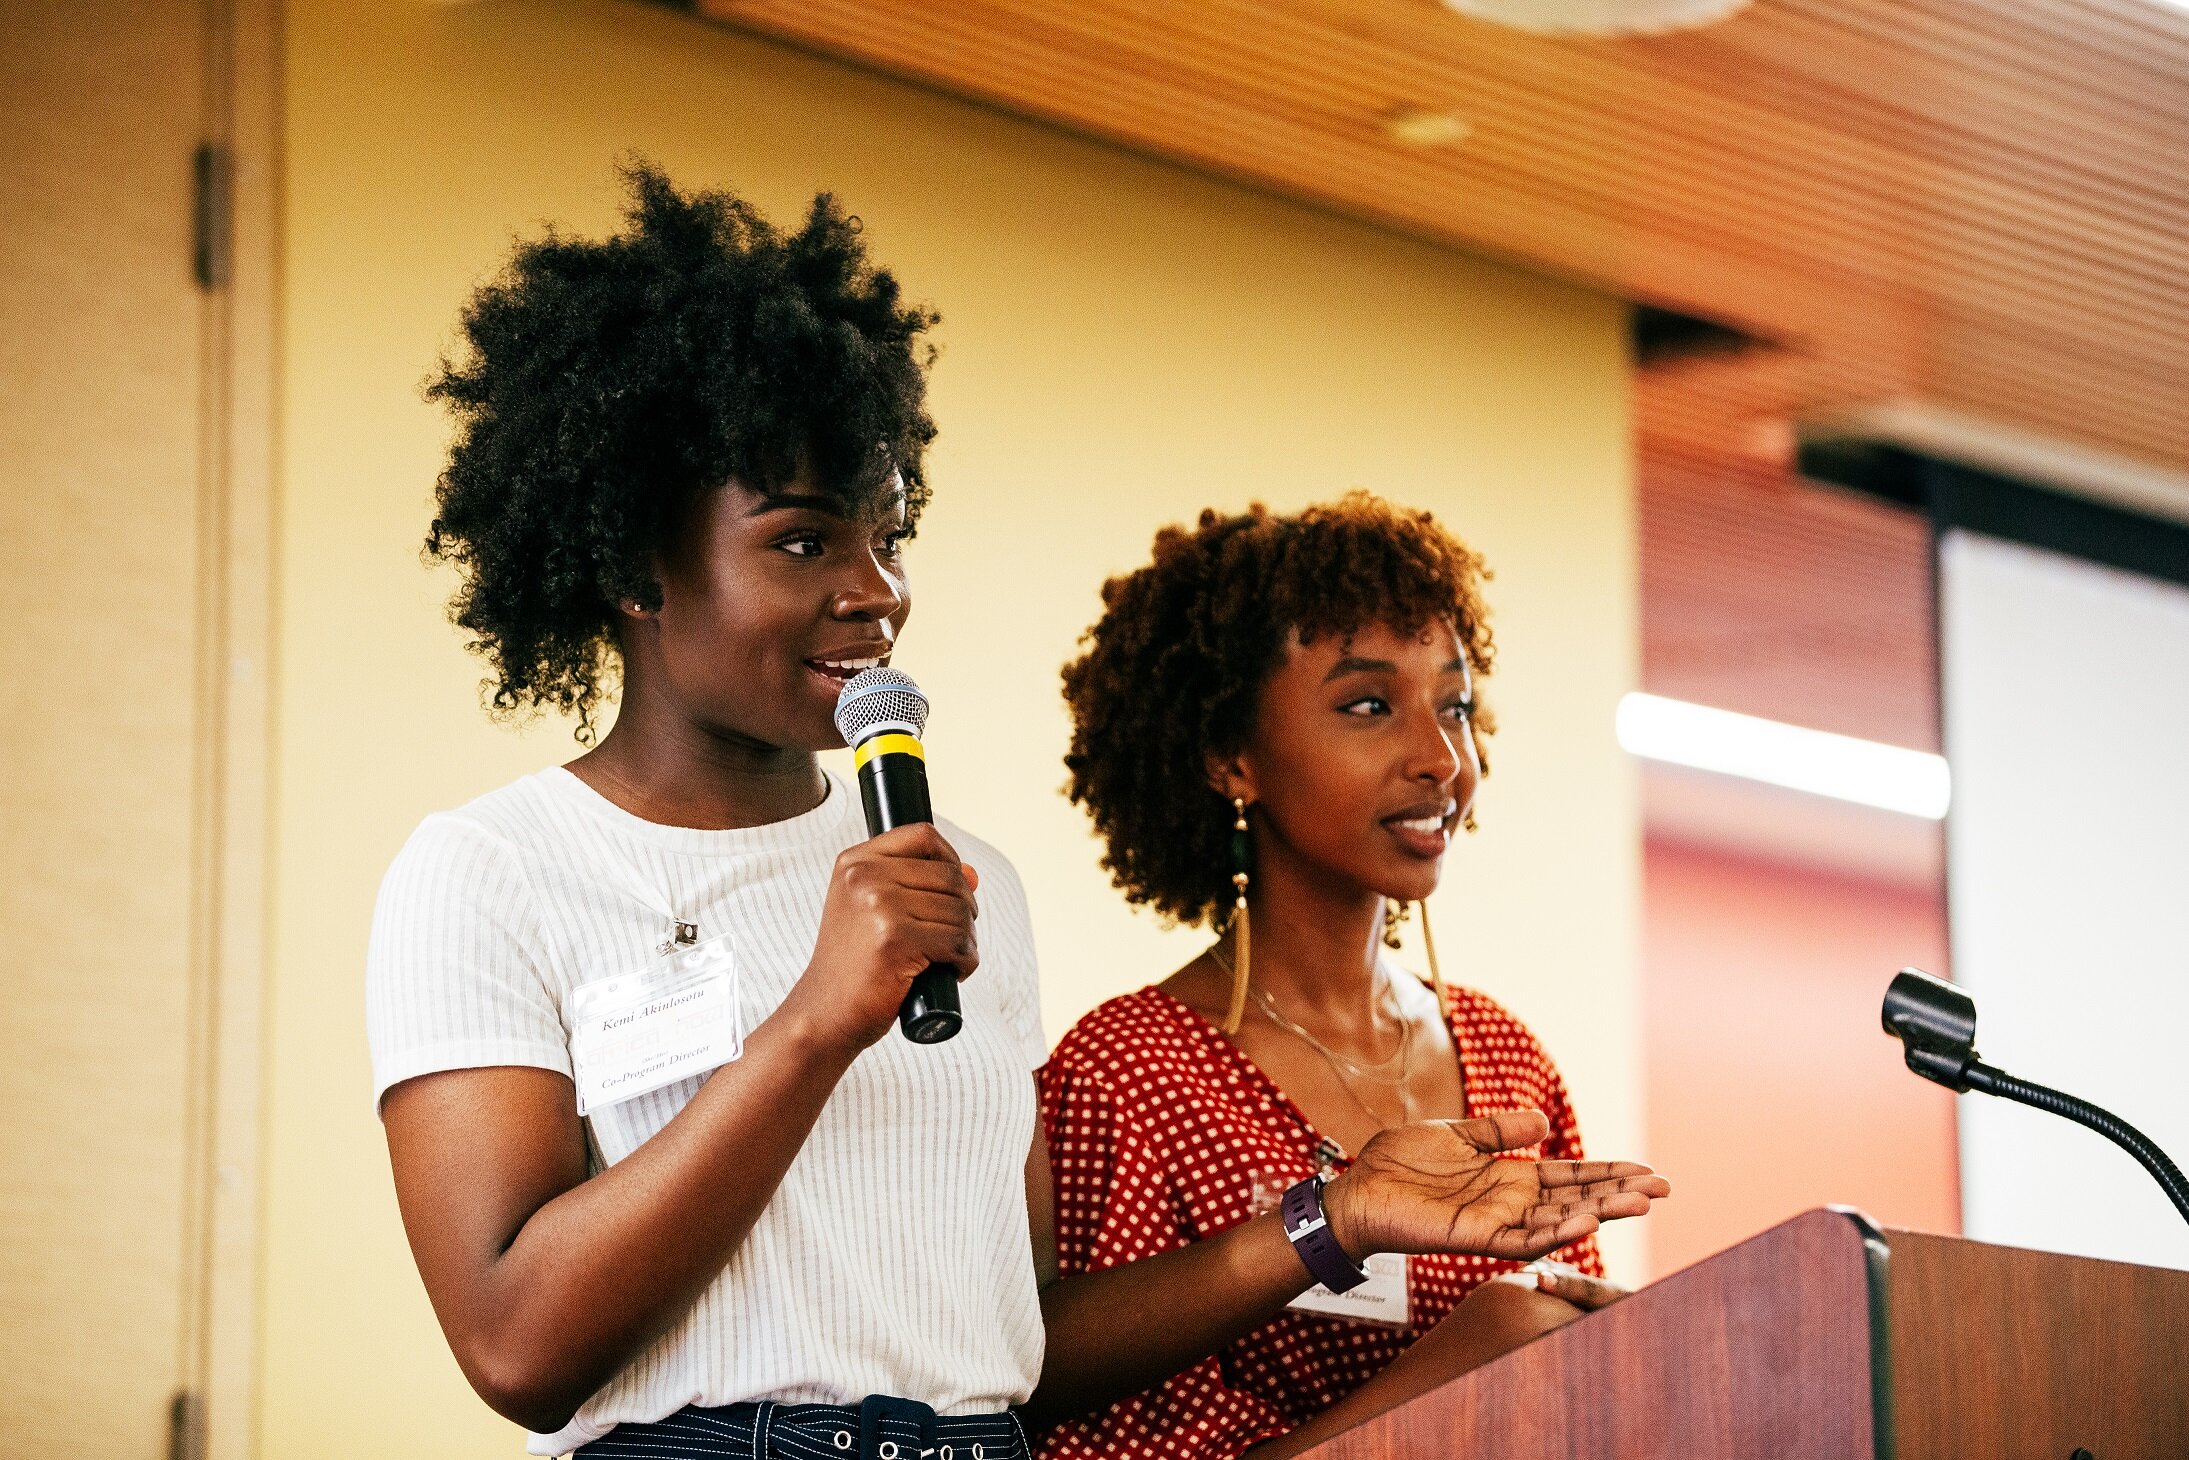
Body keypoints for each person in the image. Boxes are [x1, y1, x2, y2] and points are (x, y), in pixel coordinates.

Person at [368, 167, 1667, 1460]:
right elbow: (516, 1347)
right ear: (630, 567)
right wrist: (816, 1021)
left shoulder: (960, 880)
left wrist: (1338, 1216)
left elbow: (1023, 1347)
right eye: (805, 542)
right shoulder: (494, 871)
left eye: (890, 537)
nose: (876, 589)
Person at [1036, 495, 1655, 1458]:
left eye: (1451, 705)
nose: (1441, 758)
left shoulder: (1505, 1058)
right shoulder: (1130, 1074)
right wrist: (1472, 1351)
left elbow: (1566, 1393)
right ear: (1228, 757)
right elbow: (1076, 1420)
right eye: (1369, 706)